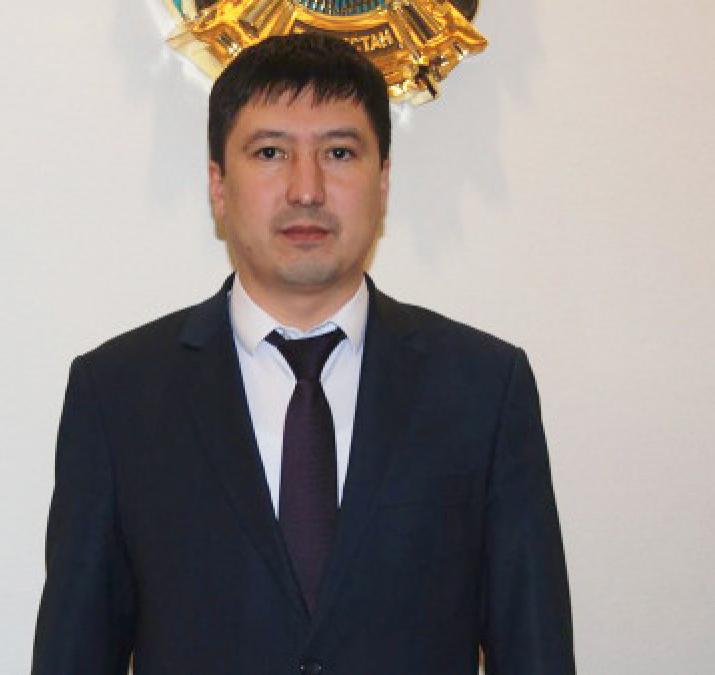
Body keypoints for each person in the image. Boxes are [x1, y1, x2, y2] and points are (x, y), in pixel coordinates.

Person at [32, 33, 574, 674]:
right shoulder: (118, 396)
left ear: (382, 182)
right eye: (270, 152)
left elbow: (535, 652)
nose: (307, 189)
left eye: (339, 152)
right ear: (218, 186)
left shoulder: (484, 390)